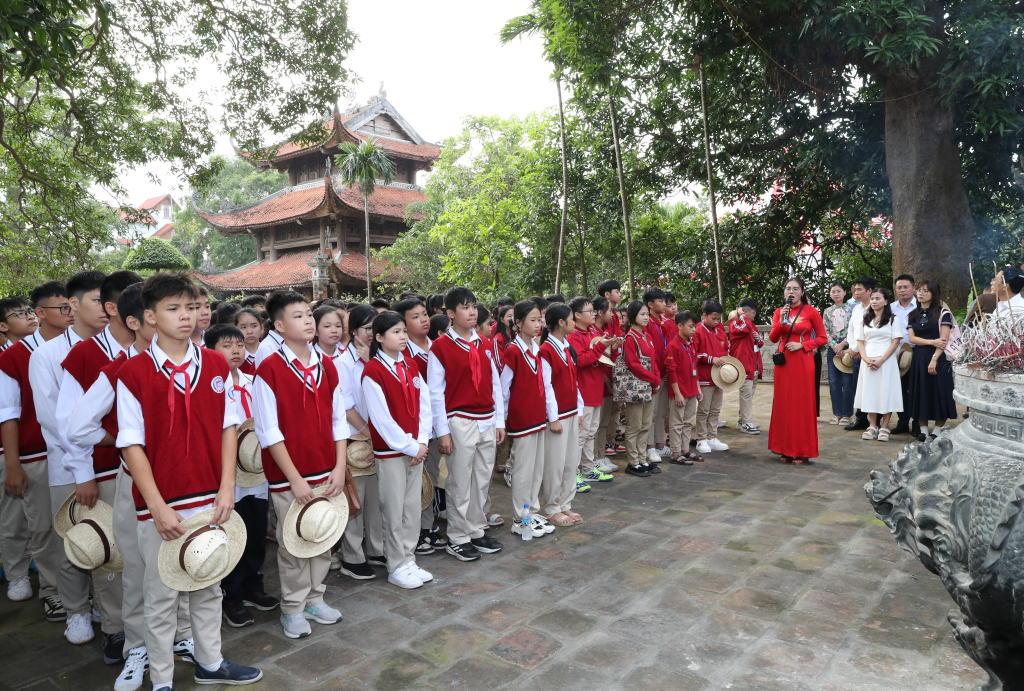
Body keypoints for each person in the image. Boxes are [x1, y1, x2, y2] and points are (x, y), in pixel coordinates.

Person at [116, 273, 263, 688]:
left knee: (208, 584)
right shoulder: (134, 372)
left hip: (209, 495)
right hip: (160, 503)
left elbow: (228, 428)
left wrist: (227, 486)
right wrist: (156, 505)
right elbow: (131, 446)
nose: (187, 316)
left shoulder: (216, 364)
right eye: (173, 308)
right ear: (149, 316)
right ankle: (161, 679)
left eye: (193, 306)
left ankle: (211, 663)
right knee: (160, 598)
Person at [65, 283, 192, 691]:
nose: (181, 319)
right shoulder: (121, 368)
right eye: (168, 311)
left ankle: (184, 636)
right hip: (136, 481)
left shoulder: (195, 362)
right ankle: (137, 648)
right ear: (140, 320)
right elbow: (78, 426)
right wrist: (123, 439)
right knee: (139, 570)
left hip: (188, 479)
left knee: (189, 561)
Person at [252, 291, 348, 639]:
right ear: (278, 325)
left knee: (322, 536)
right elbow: (268, 431)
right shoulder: (269, 369)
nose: (308, 320)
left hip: (326, 470)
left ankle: (315, 597)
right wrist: (294, 479)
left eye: (309, 314)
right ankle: (292, 607)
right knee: (293, 545)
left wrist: (339, 467)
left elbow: (340, 422)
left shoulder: (328, 365)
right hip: (290, 477)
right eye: (298, 316)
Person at [56, 270, 142, 658]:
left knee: (143, 551)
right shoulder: (85, 354)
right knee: (111, 554)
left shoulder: (149, 352)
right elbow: (67, 423)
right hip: (103, 468)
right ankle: (114, 628)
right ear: (115, 308)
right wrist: (82, 474)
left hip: (144, 471)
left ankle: (150, 628)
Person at [29, 271, 109, 646]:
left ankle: (106, 609)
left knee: (110, 541)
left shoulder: (119, 347)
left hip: (113, 461)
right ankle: (76, 610)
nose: (106, 308)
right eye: (97, 300)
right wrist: (83, 470)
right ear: (74, 305)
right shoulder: (47, 355)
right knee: (73, 538)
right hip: (69, 463)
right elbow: (52, 419)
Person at [204, 324, 280, 629]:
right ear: (210, 350)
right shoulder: (210, 385)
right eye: (227, 345)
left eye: (239, 345)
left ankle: (253, 585)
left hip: (256, 469)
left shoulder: (254, 381)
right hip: (226, 473)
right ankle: (230, 594)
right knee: (230, 533)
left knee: (256, 528)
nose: (236, 350)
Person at [427, 287, 505, 562]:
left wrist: (499, 420)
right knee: (460, 480)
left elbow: (494, 384)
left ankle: (476, 528)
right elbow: (435, 393)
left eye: (473, 306)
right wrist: (443, 431)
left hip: (487, 418)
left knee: (482, 478)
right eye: (465, 307)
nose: (472, 312)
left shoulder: (483, 343)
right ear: (450, 313)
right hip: (459, 420)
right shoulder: (440, 347)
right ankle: (458, 536)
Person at [0, 291, 64, 622]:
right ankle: (49, 589)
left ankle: (77, 591)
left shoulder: (80, 346)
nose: (70, 312)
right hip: (34, 452)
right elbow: (8, 414)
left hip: (74, 451)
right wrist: (13, 463)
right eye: (63, 307)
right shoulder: (12, 357)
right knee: (38, 526)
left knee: (75, 524)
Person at [361, 311, 434, 589]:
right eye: (395, 332)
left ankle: (408, 557)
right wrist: (410, 445)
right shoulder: (373, 371)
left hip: (416, 449)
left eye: (404, 331)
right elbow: (381, 420)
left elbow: (424, 404)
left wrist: (422, 442)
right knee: (393, 509)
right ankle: (395, 564)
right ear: (379, 338)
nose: (403, 336)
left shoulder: (410, 364)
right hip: (392, 452)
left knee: (412, 507)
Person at [333, 305, 385, 580]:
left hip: (379, 437)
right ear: (353, 331)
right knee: (356, 497)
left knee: (376, 499)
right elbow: (347, 407)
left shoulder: (378, 358)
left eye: (375, 327)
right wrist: (369, 434)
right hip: (356, 440)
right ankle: (352, 556)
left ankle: (376, 548)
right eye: (367, 328)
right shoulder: (342, 363)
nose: (372, 333)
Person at [392, 298, 446, 556]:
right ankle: (417, 531)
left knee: (432, 477)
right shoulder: (402, 355)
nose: (424, 319)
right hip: (412, 432)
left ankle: (428, 526)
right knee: (416, 481)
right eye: (415, 317)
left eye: (425, 314)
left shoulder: (438, 347)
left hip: (436, 426)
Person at [500, 301, 551, 539]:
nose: (538, 324)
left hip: (538, 417)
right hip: (522, 421)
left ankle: (531, 512)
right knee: (522, 471)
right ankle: (520, 518)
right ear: (518, 323)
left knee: (536, 470)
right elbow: (503, 390)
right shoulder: (513, 351)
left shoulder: (535, 349)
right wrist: (503, 421)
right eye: (533, 319)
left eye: (540, 319)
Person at [768, 277, 829, 463]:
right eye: (788, 288)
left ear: (802, 292)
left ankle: (803, 451)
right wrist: (780, 321)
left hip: (803, 362)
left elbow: (822, 338)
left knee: (801, 405)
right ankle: (785, 449)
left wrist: (803, 345)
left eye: (795, 288)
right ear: (784, 292)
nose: (791, 292)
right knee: (784, 404)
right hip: (784, 363)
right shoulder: (780, 312)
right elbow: (772, 338)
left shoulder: (812, 312)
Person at [538, 304, 586, 526]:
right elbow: (547, 387)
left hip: (571, 411)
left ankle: (566, 503)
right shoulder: (546, 350)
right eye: (570, 319)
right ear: (560, 323)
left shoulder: (566, 347)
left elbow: (573, 382)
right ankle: (552, 507)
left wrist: (580, 408)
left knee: (570, 462)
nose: (573, 323)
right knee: (555, 464)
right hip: (557, 415)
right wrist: (553, 417)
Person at [567, 297, 614, 487]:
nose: (594, 314)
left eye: (594, 311)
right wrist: (602, 346)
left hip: (595, 389)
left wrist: (611, 344)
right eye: (590, 311)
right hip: (583, 392)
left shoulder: (592, 331)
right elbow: (581, 360)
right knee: (580, 435)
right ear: (577, 315)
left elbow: (598, 355)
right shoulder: (574, 336)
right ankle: (572, 474)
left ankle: (587, 468)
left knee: (591, 432)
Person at [907, 281, 958, 438]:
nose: (920, 294)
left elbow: (943, 340)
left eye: (925, 291)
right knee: (920, 393)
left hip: (939, 358)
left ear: (934, 294)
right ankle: (923, 432)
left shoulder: (943, 313)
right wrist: (931, 341)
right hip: (919, 358)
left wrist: (934, 358)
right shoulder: (914, 314)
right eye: (919, 291)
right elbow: (912, 339)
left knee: (939, 393)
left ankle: (936, 431)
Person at [853, 288, 904, 442]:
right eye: (873, 298)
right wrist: (865, 358)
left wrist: (881, 360)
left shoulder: (893, 319)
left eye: (878, 298)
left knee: (885, 392)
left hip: (886, 362)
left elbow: (895, 342)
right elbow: (860, 342)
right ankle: (873, 425)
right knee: (870, 393)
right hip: (868, 361)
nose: (874, 301)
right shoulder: (865, 319)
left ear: (886, 301)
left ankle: (884, 426)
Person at [621, 301, 660, 478]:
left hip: (648, 387)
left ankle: (642, 458)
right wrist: (653, 379)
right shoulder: (630, 338)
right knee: (634, 425)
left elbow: (653, 361)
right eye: (642, 314)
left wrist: (656, 378)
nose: (646, 317)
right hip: (637, 388)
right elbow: (634, 365)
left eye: (647, 314)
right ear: (633, 317)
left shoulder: (646, 336)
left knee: (645, 424)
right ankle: (633, 461)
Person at [664, 310, 703, 464]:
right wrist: (677, 393)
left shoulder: (691, 343)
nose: (694, 330)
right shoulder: (673, 346)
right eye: (691, 326)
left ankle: (685, 449)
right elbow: (671, 371)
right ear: (680, 326)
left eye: (695, 326)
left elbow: (695, 367)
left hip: (692, 389)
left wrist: (698, 388)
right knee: (676, 423)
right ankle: (675, 452)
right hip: (680, 392)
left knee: (688, 422)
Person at [692, 300, 730, 455]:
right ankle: (701, 439)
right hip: (704, 376)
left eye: (718, 318)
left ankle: (712, 437)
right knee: (704, 409)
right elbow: (694, 352)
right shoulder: (698, 330)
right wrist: (710, 359)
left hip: (719, 377)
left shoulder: (720, 331)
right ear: (704, 315)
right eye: (713, 318)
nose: (716, 321)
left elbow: (726, 350)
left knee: (715, 409)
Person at [593, 296, 624, 465]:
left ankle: (600, 455)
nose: (613, 314)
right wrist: (607, 381)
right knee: (595, 425)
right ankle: (595, 458)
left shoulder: (603, 333)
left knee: (603, 422)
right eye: (610, 311)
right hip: (600, 383)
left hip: (607, 383)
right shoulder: (594, 334)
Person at [642, 288, 670, 462]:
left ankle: (660, 443)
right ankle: (650, 446)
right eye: (660, 301)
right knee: (651, 413)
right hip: (655, 374)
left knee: (661, 412)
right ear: (650, 304)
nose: (664, 304)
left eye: (664, 300)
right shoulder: (648, 324)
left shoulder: (664, 322)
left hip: (665, 372)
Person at [844, 277, 875, 431]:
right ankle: (860, 418)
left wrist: (856, 349)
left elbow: (870, 333)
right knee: (858, 386)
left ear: (869, 291)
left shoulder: (877, 308)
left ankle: (875, 421)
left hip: (872, 353)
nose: (856, 292)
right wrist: (852, 348)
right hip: (856, 354)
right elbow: (852, 329)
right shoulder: (856, 309)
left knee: (873, 386)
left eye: (859, 289)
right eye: (855, 290)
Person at [889, 274, 918, 435]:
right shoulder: (891, 308)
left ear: (913, 288)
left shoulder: (920, 306)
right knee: (899, 389)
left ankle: (917, 423)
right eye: (899, 287)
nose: (902, 290)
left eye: (906, 287)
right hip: (897, 353)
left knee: (916, 389)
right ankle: (902, 421)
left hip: (918, 352)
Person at [729, 298, 763, 435]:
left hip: (753, 365)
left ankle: (742, 420)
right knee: (746, 395)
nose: (754, 315)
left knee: (748, 395)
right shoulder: (736, 324)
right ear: (745, 312)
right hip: (743, 366)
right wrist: (741, 315)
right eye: (753, 312)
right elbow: (744, 329)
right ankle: (746, 423)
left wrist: (758, 338)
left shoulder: (751, 325)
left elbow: (759, 344)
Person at [823, 282, 854, 425]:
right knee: (834, 382)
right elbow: (825, 331)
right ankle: (837, 413)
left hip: (848, 347)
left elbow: (855, 330)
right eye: (833, 291)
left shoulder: (852, 309)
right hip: (833, 347)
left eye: (839, 291)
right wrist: (835, 346)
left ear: (845, 292)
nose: (836, 294)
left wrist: (843, 344)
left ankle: (847, 413)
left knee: (848, 382)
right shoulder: (827, 311)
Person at [233, 308, 262, 375]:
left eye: (254, 326)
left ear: (262, 328)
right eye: (243, 327)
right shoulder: (234, 356)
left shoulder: (271, 351)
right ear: (235, 329)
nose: (249, 331)